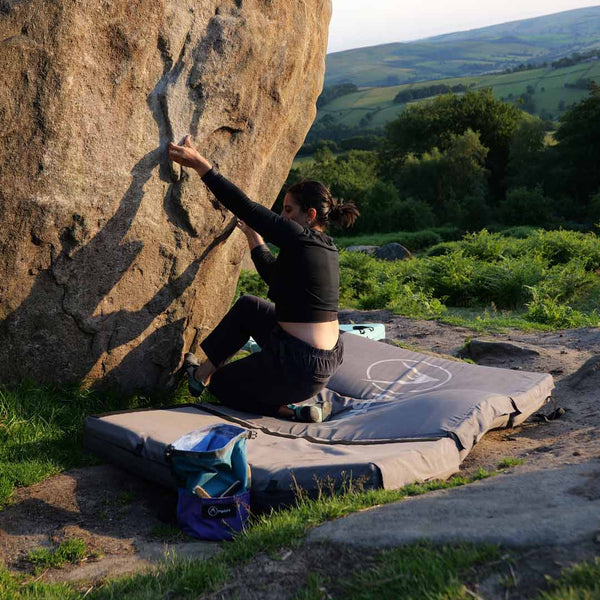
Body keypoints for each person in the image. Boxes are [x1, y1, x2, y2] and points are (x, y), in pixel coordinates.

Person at [168, 135, 359, 422]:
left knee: (223, 385)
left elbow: (245, 206)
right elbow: (274, 277)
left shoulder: (299, 237)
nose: (281, 216)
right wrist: (254, 240)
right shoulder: (324, 247)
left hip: (300, 364)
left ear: (310, 215)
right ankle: (200, 375)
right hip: (318, 358)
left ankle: (290, 411)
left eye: (288, 210)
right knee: (249, 307)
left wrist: (201, 165)